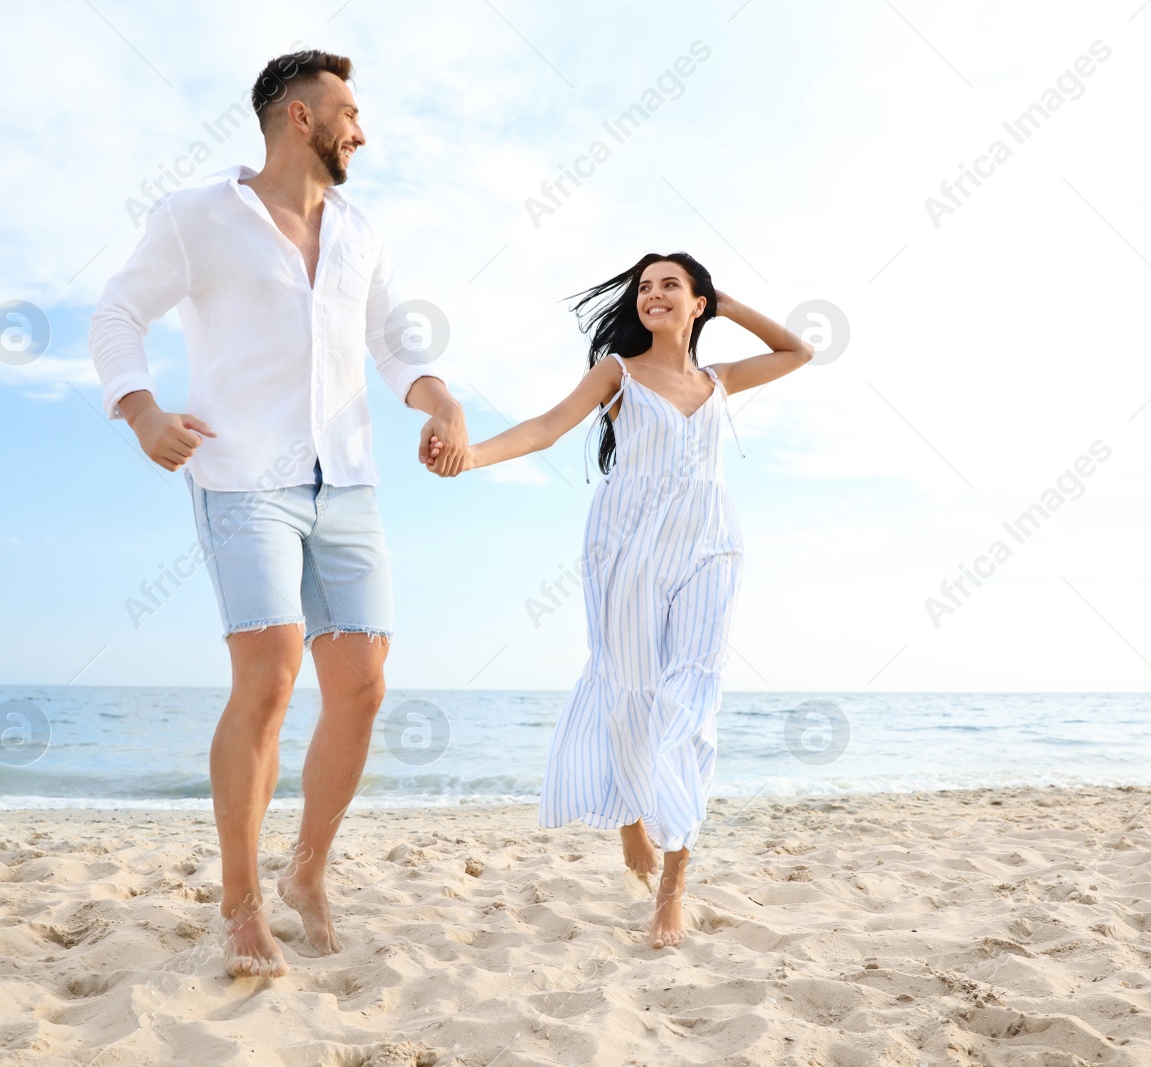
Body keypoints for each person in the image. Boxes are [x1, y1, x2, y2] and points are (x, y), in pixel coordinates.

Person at [87, 49, 469, 978]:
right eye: (349, 113)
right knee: (269, 676)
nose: (361, 131)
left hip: (348, 479)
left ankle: (306, 871)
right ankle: (241, 900)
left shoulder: (360, 230)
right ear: (299, 117)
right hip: (240, 475)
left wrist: (441, 400)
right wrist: (141, 411)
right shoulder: (194, 217)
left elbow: (388, 343)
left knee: (365, 684)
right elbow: (115, 315)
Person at [424, 253, 812, 947]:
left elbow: (797, 349)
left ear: (697, 302)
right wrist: (472, 456)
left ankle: (673, 888)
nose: (653, 294)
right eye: (643, 287)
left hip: (711, 545)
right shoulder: (618, 373)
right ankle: (633, 811)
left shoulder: (717, 380)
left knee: (692, 704)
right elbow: (546, 427)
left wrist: (725, 302)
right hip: (627, 547)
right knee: (629, 690)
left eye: (670, 285)